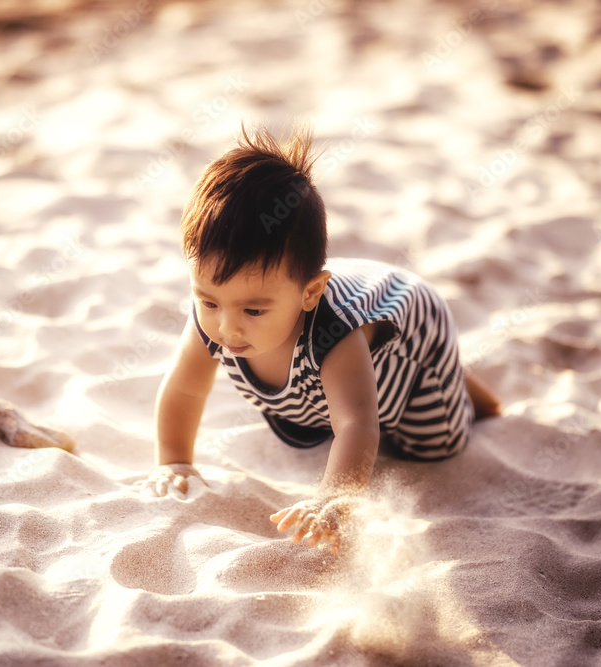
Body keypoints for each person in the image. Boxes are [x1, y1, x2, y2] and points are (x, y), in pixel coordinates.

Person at [141, 123, 501, 553]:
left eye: (253, 310)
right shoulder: (219, 313)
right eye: (209, 301)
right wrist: (175, 461)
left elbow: (357, 424)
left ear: (310, 293)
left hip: (413, 327)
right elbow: (184, 388)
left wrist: (334, 500)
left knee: (430, 445)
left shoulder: (335, 335)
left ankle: (452, 380)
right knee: (328, 405)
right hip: (343, 311)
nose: (227, 328)